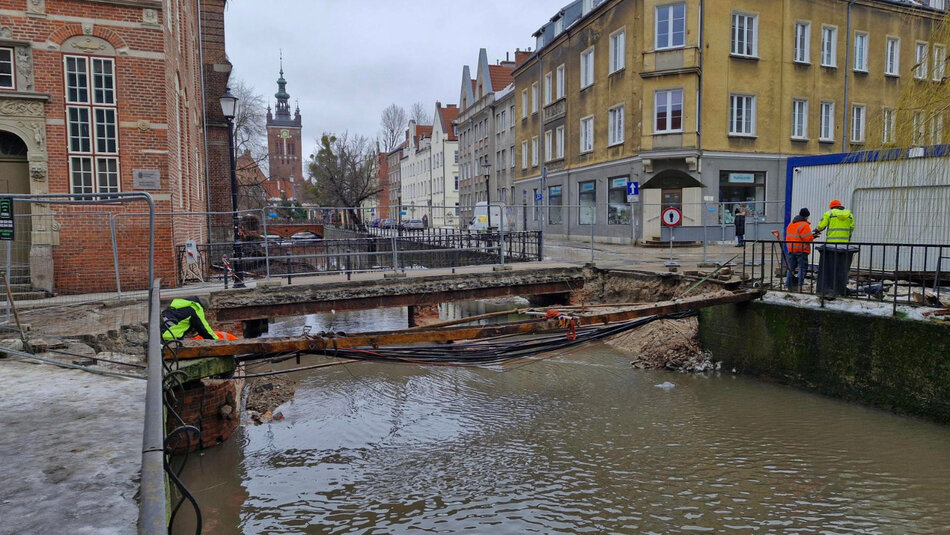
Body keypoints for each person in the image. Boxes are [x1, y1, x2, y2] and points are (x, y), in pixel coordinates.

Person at [785, 208, 814, 291]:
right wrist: (813, 237)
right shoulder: (804, 225)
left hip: (791, 249)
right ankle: (799, 285)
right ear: (807, 216)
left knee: (791, 268)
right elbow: (808, 239)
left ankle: (788, 285)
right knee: (802, 268)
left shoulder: (791, 224)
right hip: (801, 250)